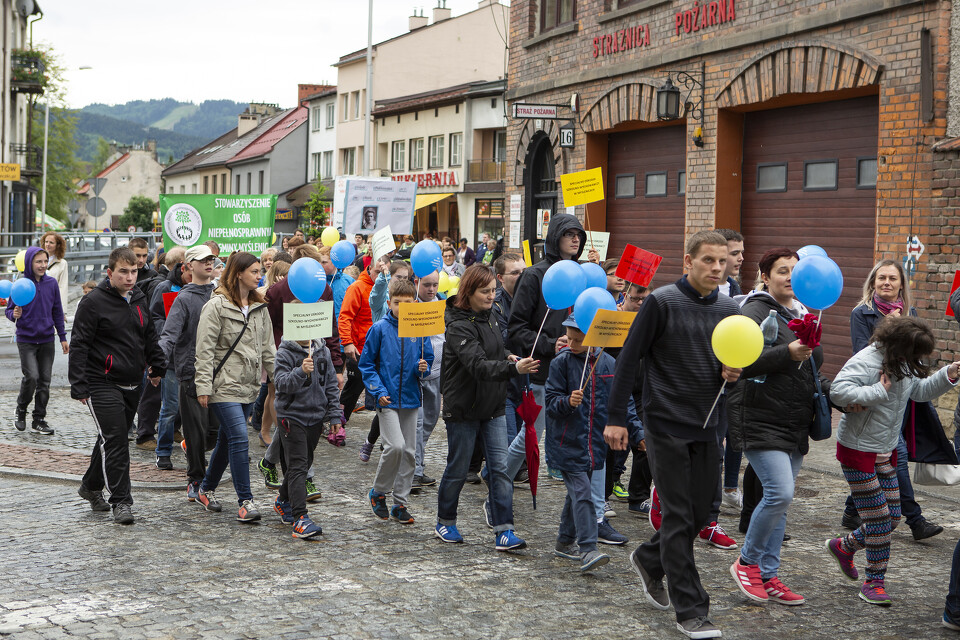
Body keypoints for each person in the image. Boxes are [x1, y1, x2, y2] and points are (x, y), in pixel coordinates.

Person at [605, 230, 742, 640]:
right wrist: (616, 418)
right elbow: (629, 359)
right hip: (664, 422)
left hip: (708, 424)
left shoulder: (729, 307)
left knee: (700, 515)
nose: (717, 268)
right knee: (679, 514)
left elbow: (732, 366)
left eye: (723, 262)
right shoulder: (662, 302)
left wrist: (733, 374)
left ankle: (649, 558)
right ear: (688, 262)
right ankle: (692, 609)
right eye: (708, 260)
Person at [826, 316, 959, 606]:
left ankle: (843, 546)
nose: (917, 360)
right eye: (915, 354)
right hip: (858, 450)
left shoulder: (903, 362)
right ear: (900, 345)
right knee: (879, 519)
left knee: (894, 517)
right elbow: (837, 390)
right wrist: (876, 392)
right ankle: (874, 582)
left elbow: (920, 392)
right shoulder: (867, 360)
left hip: (886, 449)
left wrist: (948, 374)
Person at [726, 248, 827, 606]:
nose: (790, 277)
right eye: (782, 271)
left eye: (794, 272)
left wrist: (839, 394)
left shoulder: (801, 313)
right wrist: (787, 353)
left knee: (780, 503)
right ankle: (746, 562)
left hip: (794, 421)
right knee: (780, 493)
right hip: (759, 417)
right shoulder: (756, 310)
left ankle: (769, 574)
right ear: (765, 276)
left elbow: (811, 370)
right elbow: (739, 363)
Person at [435, 264, 538, 549]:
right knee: (457, 469)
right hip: (463, 408)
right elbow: (478, 365)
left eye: (493, 290)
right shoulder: (456, 325)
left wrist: (508, 356)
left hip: (492, 404)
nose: (491, 296)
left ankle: (504, 529)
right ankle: (445, 521)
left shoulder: (491, 315)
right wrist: (514, 370)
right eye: (485, 291)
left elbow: (491, 351)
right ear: (469, 292)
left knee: (500, 469)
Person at [841, 259, 943, 540]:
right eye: (881, 278)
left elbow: (917, 354)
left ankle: (852, 509)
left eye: (892, 278)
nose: (887, 282)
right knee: (893, 458)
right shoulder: (862, 313)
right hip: (878, 393)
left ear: (901, 284)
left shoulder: (911, 313)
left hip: (902, 393)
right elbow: (862, 352)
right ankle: (916, 520)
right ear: (873, 282)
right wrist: (892, 329)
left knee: (880, 460)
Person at [72, 247, 165, 525]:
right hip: (100, 382)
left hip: (132, 381)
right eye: (123, 272)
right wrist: (79, 385)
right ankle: (121, 502)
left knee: (109, 438)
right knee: (116, 441)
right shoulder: (93, 303)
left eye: (134, 271)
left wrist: (157, 366)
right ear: (110, 273)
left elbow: (148, 335)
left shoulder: (138, 298)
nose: (129, 277)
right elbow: (79, 344)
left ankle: (90, 486)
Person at [504, 213, 586, 483]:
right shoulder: (534, 275)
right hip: (542, 370)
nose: (575, 239)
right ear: (555, 238)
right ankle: (500, 476)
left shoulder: (583, 274)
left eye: (578, 235)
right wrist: (551, 345)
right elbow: (517, 329)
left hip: (576, 369)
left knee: (578, 431)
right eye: (569, 234)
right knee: (531, 433)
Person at [194, 252, 276, 523]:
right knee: (240, 437)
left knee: (227, 440)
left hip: (249, 386)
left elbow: (268, 349)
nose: (259, 276)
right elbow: (204, 350)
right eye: (254, 271)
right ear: (238, 273)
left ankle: (205, 489)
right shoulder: (216, 306)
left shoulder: (260, 307)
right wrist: (203, 386)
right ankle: (246, 501)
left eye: (260, 271)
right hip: (222, 386)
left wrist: (279, 379)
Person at [547, 313, 628, 571]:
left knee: (575, 497)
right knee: (582, 494)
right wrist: (566, 402)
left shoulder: (608, 364)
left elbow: (621, 403)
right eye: (569, 338)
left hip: (594, 445)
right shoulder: (561, 363)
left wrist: (636, 433)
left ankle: (564, 542)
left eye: (577, 339)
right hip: (567, 444)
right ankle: (588, 549)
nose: (571, 344)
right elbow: (550, 402)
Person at [360, 277, 433, 524]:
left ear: (415, 303)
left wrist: (423, 368)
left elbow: (427, 361)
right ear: (389, 302)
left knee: (410, 452)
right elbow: (366, 364)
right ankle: (378, 492)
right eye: (398, 303)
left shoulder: (419, 329)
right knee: (395, 446)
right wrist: (377, 390)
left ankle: (400, 504)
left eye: (408, 302)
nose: (403, 307)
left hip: (411, 397)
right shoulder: (379, 329)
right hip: (387, 398)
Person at [159, 245, 219, 501]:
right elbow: (169, 334)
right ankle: (196, 479)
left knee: (214, 432)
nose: (208, 263)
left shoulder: (221, 294)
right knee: (195, 430)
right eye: (202, 260)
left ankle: (192, 448)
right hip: (191, 372)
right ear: (188, 266)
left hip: (220, 372)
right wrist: (157, 363)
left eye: (211, 259)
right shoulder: (184, 298)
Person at [272, 334, 341, 539]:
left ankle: (283, 500)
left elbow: (330, 385)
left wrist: (335, 415)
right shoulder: (284, 352)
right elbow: (281, 383)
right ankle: (300, 518)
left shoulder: (323, 351)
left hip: (315, 417)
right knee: (299, 465)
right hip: (292, 417)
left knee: (303, 463)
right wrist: (301, 371)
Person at [6, 246, 68, 434]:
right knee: (32, 376)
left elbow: (57, 311)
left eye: (44, 261)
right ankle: (21, 409)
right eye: (38, 261)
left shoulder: (51, 284)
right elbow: (10, 310)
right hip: (26, 339)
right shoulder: (21, 283)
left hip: (47, 339)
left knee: (45, 380)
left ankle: (39, 418)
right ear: (29, 263)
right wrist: (13, 313)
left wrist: (63, 337)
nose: (42, 265)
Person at [149, 246, 187, 470]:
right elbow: (154, 316)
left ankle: (191, 447)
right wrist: (171, 329)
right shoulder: (164, 287)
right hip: (172, 358)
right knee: (170, 406)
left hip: (192, 357)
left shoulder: (202, 288)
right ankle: (163, 451)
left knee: (190, 409)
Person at [338, 254, 377, 425]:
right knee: (354, 388)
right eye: (378, 271)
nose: (381, 276)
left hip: (380, 347)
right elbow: (345, 316)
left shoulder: (390, 287)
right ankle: (339, 423)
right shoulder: (357, 287)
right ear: (370, 268)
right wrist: (347, 342)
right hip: (360, 348)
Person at [318, 245, 354, 320]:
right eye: (319, 262)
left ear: (335, 262)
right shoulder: (316, 282)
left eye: (324, 262)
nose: (320, 265)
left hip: (344, 327)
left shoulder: (349, 281)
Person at [40, 231, 69, 309]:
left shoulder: (62, 263)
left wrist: (62, 310)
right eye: (46, 242)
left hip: (52, 301)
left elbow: (63, 287)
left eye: (51, 242)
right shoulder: (37, 260)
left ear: (58, 245)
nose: (48, 245)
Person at [715, 229, 744, 297]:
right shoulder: (701, 290)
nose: (741, 258)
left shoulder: (735, 288)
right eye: (734, 253)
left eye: (742, 253)